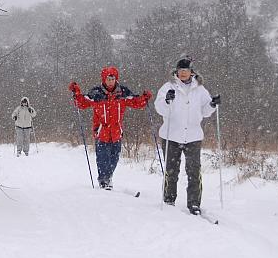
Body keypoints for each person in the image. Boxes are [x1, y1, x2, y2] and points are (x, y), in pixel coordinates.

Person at [154, 55, 221, 215]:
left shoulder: (200, 89)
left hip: (193, 136)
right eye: (181, 70)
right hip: (172, 135)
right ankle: (169, 199)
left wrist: (212, 104)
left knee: (194, 171)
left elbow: (205, 111)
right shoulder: (168, 87)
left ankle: (194, 203)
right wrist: (167, 101)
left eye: (186, 70)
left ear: (192, 72)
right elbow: (160, 108)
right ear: (176, 71)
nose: (183, 73)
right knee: (171, 170)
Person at [69, 67, 152, 190]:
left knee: (114, 157)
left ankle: (108, 177)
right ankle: (104, 181)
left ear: (116, 79)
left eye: (113, 78)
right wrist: (76, 93)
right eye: (108, 79)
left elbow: (135, 102)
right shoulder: (96, 93)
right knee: (102, 158)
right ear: (104, 79)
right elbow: (82, 103)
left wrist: (144, 99)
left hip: (117, 132)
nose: (110, 81)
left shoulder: (123, 92)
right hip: (101, 131)